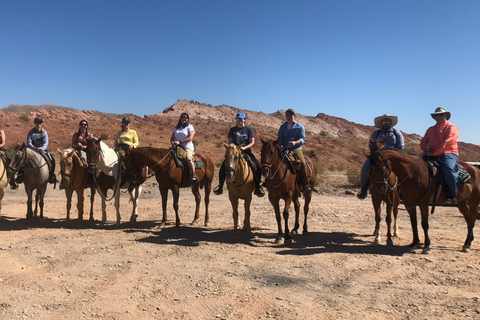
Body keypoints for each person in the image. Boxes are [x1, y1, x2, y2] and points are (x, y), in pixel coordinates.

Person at [213, 113, 265, 197]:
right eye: (238, 119)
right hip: (234, 153)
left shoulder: (249, 130)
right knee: (223, 167)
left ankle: (257, 187)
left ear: (244, 120)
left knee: (257, 166)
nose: (240, 121)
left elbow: (252, 142)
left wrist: (244, 148)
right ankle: (220, 187)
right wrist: (234, 149)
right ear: (236, 120)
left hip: (246, 151)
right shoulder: (233, 130)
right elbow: (230, 142)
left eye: (241, 119)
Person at [357, 114, 405, 199]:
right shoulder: (376, 133)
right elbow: (370, 145)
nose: (386, 123)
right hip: (377, 156)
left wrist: (388, 149)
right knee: (365, 168)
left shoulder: (396, 133)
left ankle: (402, 190)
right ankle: (364, 189)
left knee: (404, 170)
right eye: (384, 122)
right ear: (381, 123)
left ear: (391, 123)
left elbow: (401, 147)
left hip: (393, 157)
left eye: (388, 122)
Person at [421, 107, 459, 205]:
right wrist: (425, 148)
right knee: (416, 166)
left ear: (446, 116)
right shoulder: (430, 129)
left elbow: (448, 142)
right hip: (431, 153)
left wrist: (434, 153)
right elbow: (424, 141)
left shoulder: (452, 127)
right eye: (436, 115)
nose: (438, 117)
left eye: (441, 114)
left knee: (447, 168)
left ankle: (452, 194)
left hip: (449, 153)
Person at [278, 108, 311, 192]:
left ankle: (305, 183)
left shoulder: (300, 126)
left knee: (302, 163)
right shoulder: (282, 127)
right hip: (285, 148)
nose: (289, 117)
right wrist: (279, 144)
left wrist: (295, 143)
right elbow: (280, 138)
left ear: (294, 116)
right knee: (274, 160)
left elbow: (302, 139)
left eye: (291, 115)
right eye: (287, 115)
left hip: (296, 148)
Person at [26, 116, 57, 184]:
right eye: (37, 122)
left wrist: (42, 148)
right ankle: (20, 176)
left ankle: (51, 176)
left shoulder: (44, 132)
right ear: (35, 123)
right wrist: (34, 148)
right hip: (33, 150)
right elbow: (29, 142)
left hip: (42, 150)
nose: (38, 124)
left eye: (40, 122)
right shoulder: (31, 132)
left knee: (52, 160)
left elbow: (46, 142)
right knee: (24, 159)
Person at [170, 112, 197, 181]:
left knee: (188, 158)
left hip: (187, 146)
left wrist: (180, 142)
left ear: (188, 119)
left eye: (185, 117)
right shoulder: (176, 127)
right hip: (177, 147)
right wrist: (172, 143)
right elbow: (172, 137)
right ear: (180, 118)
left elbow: (190, 138)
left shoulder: (190, 127)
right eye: (182, 117)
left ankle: (193, 174)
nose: (184, 119)